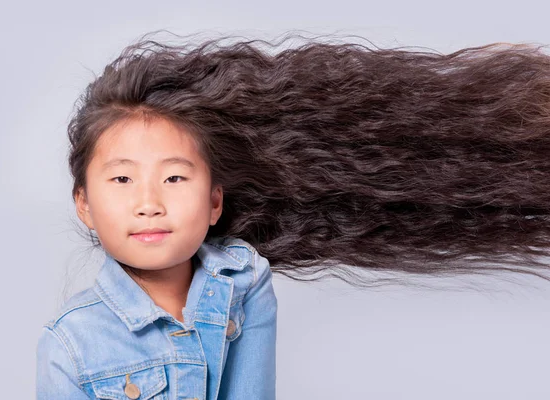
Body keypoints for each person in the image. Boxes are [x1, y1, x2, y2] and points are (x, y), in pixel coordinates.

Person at [37, 30, 550, 399]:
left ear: (215, 200)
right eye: (122, 179)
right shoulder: (71, 341)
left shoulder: (242, 280)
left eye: (174, 177)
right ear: (84, 202)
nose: (148, 202)